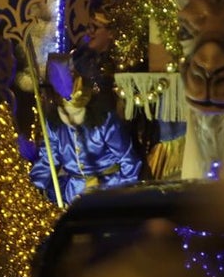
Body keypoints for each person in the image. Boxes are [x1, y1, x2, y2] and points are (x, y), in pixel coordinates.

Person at [26, 56, 142, 204]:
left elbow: (129, 159)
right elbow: (48, 159)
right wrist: (34, 188)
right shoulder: (55, 125)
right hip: (74, 195)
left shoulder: (104, 120)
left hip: (109, 193)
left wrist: (124, 195)